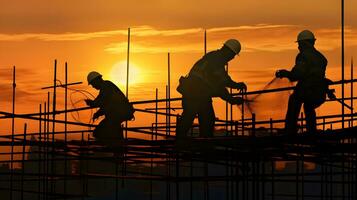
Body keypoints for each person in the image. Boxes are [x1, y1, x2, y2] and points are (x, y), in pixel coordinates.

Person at [176, 39, 247, 139]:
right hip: (194, 92)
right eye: (233, 55)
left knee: (205, 119)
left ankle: (198, 143)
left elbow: (221, 82)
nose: (232, 58)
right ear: (228, 51)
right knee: (193, 117)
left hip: (199, 93)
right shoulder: (216, 60)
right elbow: (221, 83)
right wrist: (232, 97)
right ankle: (183, 143)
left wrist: (235, 88)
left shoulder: (215, 57)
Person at [276, 30, 328, 134]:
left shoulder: (303, 56)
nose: (298, 47)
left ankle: (290, 129)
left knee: (294, 100)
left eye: (299, 44)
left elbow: (297, 74)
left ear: (304, 43)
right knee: (308, 107)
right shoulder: (321, 58)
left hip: (308, 90)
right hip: (319, 92)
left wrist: (285, 73)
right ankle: (312, 130)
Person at [85, 71, 134, 153]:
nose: (93, 86)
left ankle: (112, 148)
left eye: (93, 84)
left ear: (97, 80)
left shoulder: (106, 86)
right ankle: (115, 148)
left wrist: (92, 103)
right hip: (117, 113)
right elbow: (107, 104)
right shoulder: (106, 86)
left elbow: (101, 101)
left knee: (99, 132)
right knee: (110, 130)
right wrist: (98, 113)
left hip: (118, 113)